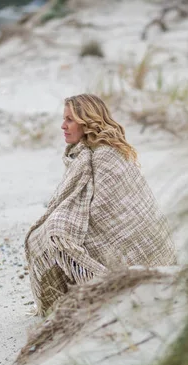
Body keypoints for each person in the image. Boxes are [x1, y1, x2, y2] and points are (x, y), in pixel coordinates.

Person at [24, 94, 177, 316]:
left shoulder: (107, 154)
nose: (63, 126)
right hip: (117, 234)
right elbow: (82, 200)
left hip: (134, 243)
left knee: (59, 233)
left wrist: (65, 224)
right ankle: (75, 297)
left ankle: (102, 290)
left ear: (87, 122)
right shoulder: (83, 155)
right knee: (54, 231)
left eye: (70, 119)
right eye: (63, 118)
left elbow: (111, 211)